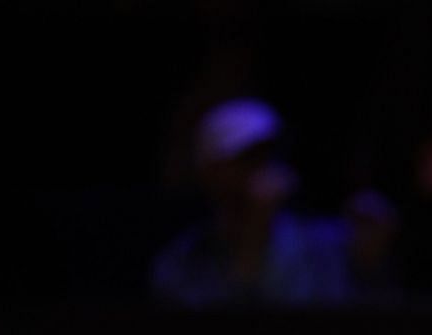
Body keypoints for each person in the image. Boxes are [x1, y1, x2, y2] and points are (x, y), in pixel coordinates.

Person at [151, 99, 360, 307]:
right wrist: (253, 240)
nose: (262, 169)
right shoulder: (182, 262)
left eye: (269, 155)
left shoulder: (328, 245)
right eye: (247, 158)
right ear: (209, 171)